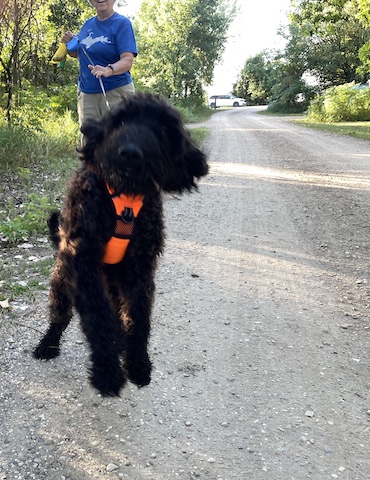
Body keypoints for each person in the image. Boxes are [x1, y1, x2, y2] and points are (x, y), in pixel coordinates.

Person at [61, 0, 137, 128]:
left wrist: (109, 70)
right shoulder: (87, 25)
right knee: (89, 142)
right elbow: (79, 55)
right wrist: (69, 45)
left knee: (118, 141)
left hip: (116, 92)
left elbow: (127, 60)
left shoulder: (122, 23)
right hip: (87, 95)